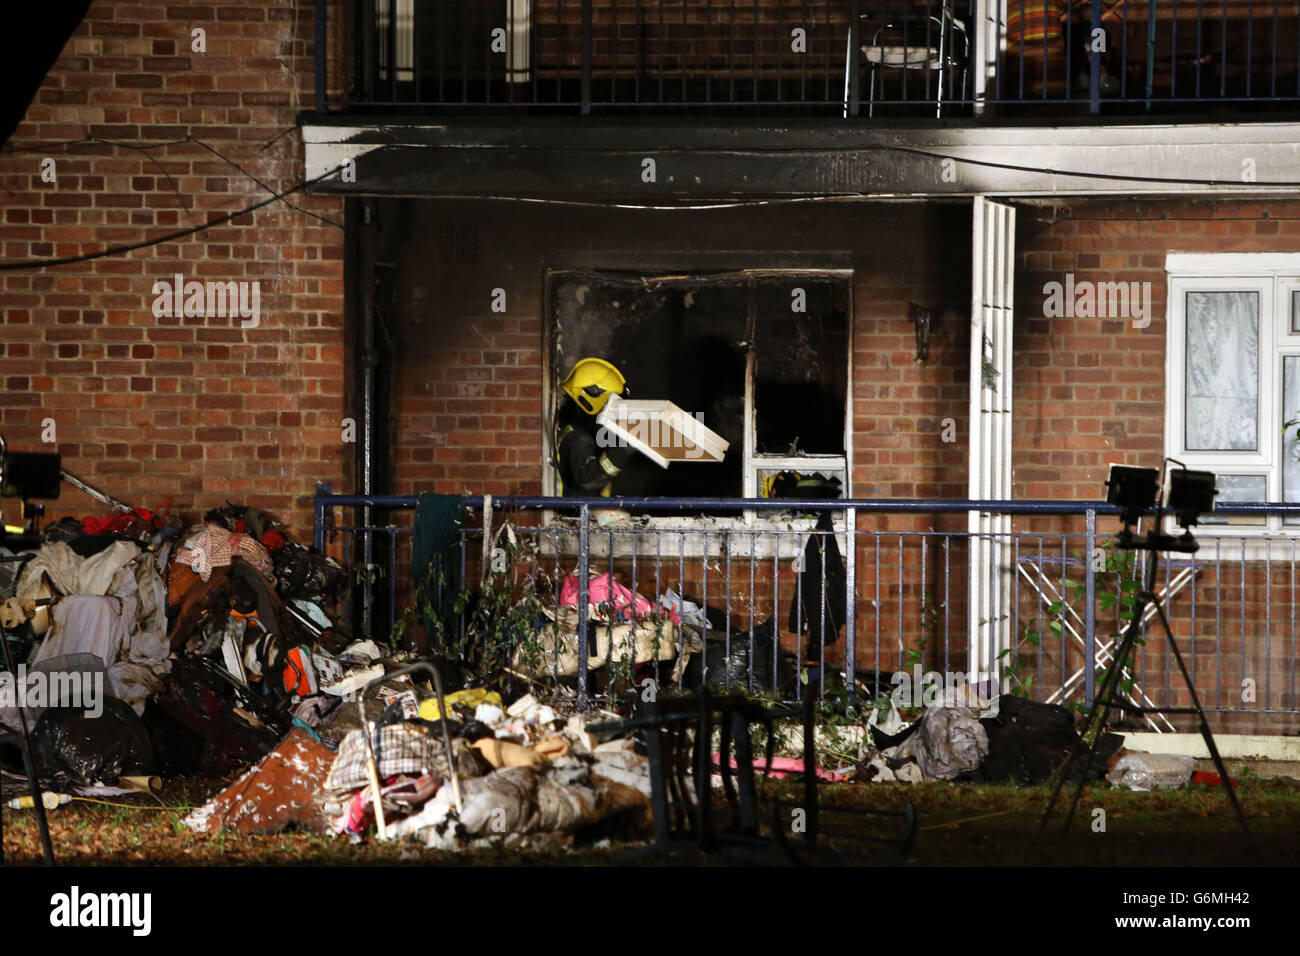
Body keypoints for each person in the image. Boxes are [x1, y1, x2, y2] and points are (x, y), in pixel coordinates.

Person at [553, 357, 635, 496]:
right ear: (590, 401)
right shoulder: (577, 437)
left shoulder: (583, 433)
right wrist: (624, 449)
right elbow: (588, 479)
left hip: (584, 514)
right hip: (576, 516)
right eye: (610, 404)